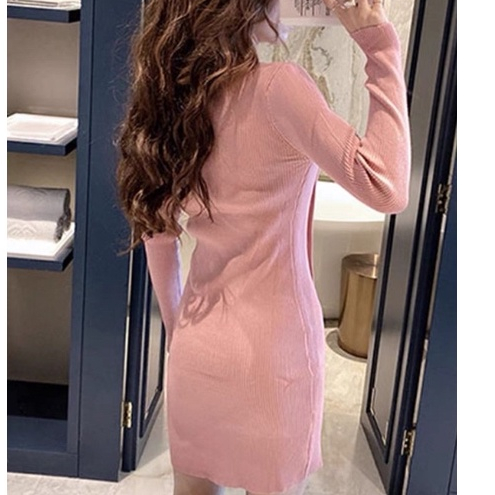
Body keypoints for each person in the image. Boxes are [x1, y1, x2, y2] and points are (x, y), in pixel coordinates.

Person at [116, 0, 411, 494]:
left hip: (197, 344)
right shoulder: (279, 89)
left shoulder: (170, 99)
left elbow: (158, 234)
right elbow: (387, 187)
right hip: (275, 355)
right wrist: (380, 44)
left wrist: (177, 330)